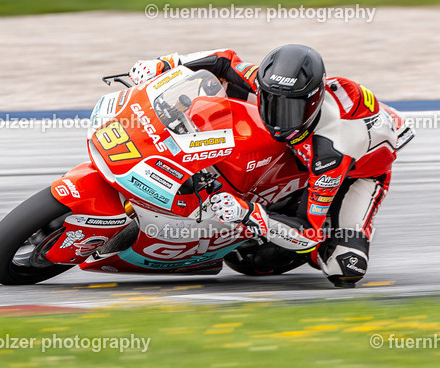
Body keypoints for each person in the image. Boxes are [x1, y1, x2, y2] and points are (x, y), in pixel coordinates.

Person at [129, 46, 413, 287]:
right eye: (270, 102)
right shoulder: (274, 86)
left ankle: (322, 233)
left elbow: (307, 230)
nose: (277, 117)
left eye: (288, 109)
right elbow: (224, 61)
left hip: (356, 173)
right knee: (225, 89)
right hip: (304, 144)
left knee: (343, 267)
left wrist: (249, 213)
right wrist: (166, 64)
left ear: (313, 102)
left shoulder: (332, 149)